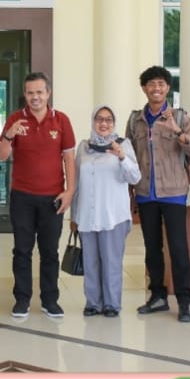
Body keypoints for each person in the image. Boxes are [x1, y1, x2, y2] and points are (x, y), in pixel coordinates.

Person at [0, 72, 76, 319]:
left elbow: (69, 158)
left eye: (39, 92)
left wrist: (70, 191)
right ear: (25, 94)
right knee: (22, 250)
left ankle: (50, 300)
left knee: (50, 251)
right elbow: (1, 155)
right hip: (22, 197)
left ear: (48, 93)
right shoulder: (15, 119)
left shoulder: (61, 120)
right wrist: (9, 134)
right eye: (30, 93)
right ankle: (22, 299)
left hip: (53, 197)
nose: (35, 97)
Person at [126, 66, 190, 323]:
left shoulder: (180, 117)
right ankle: (157, 296)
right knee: (152, 248)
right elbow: (129, 158)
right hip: (145, 192)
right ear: (144, 88)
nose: (156, 88)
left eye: (161, 84)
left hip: (174, 192)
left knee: (178, 248)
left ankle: (184, 300)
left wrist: (177, 131)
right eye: (151, 84)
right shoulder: (135, 120)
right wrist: (130, 193)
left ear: (168, 88)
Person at [71, 106, 141, 317]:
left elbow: (135, 177)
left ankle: (111, 304)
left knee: (111, 262)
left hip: (113, 215)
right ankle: (93, 302)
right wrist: (74, 215)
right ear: (93, 121)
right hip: (87, 215)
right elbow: (76, 183)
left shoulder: (123, 144)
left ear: (114, 123)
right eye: (99, 119)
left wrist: (122, 157)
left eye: (108, 120)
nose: (103, 124)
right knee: (90, 261)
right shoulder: (84, 147)